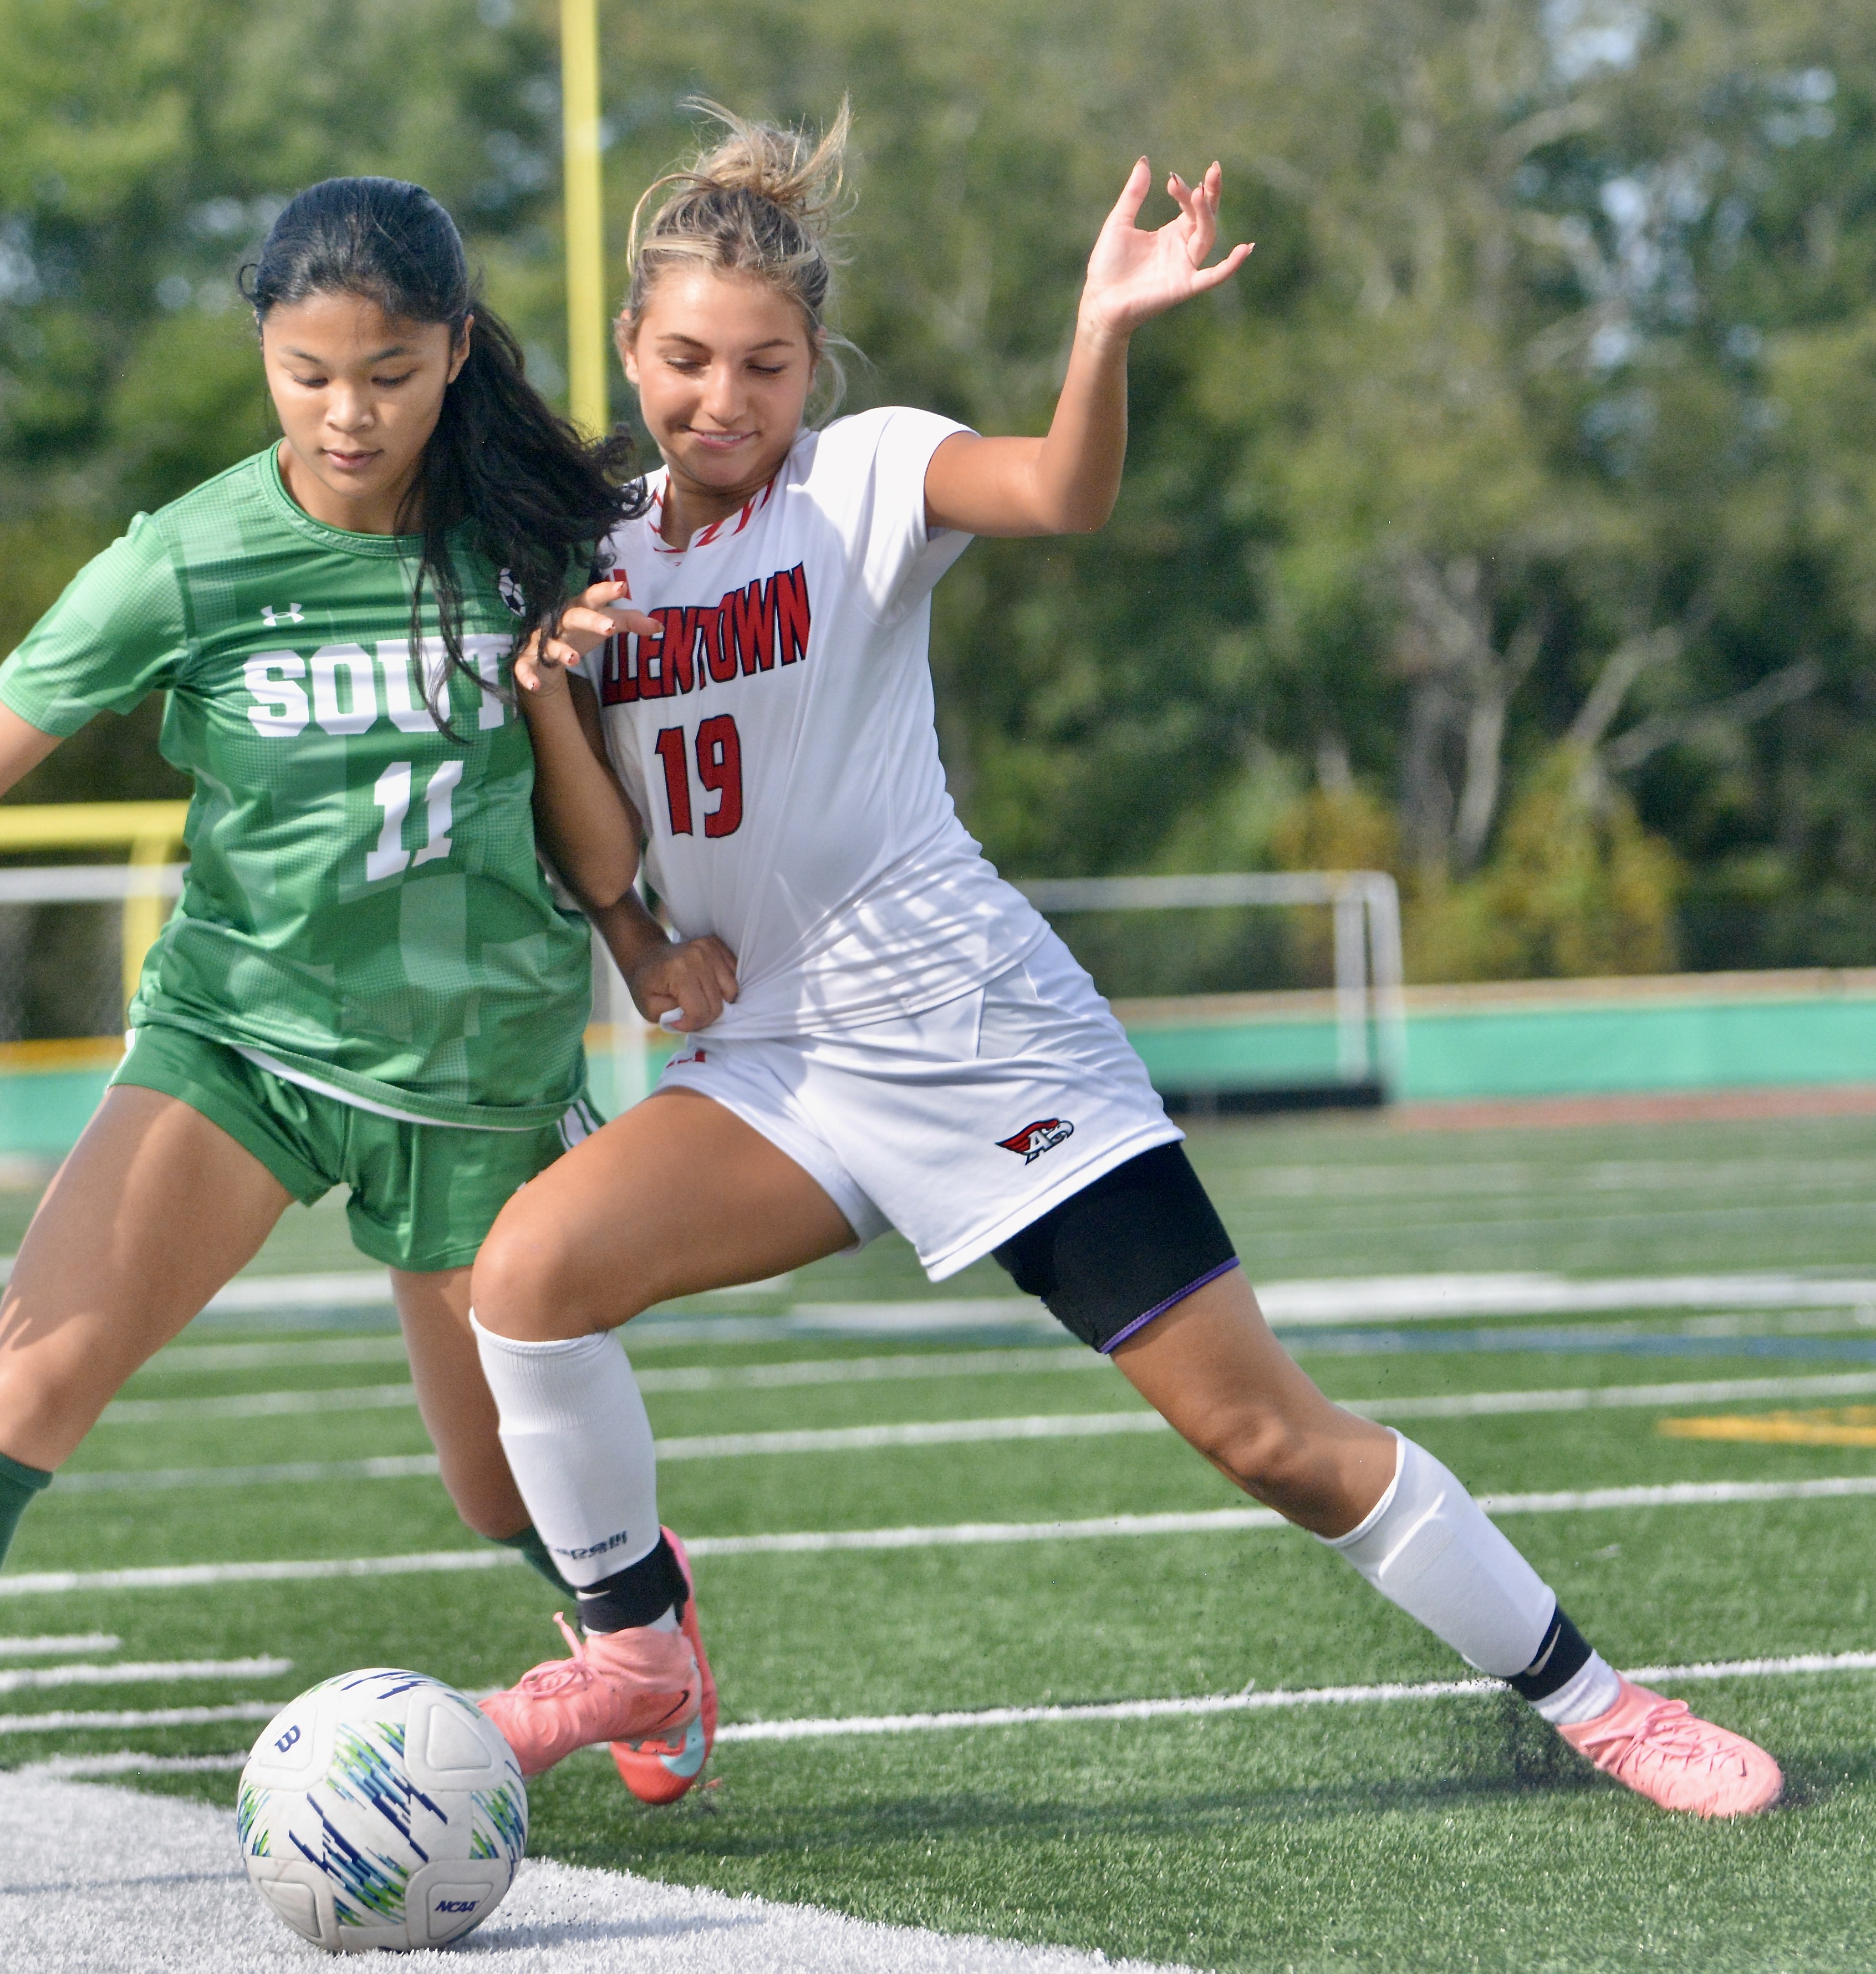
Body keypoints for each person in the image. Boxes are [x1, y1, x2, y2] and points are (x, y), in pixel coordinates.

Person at [466, 102, 1785, 1821]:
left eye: (766, 366)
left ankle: (1602, 1702)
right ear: (631, 349)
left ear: (815, 369)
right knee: (528, 1279)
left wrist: (1099, 338)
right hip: (775, 1070)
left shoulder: (862, 477)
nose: (725, 400)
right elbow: (601, 852)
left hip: (975, 1037)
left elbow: (1054, 490)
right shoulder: (593, 551)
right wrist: (609, 857)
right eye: (689, 361)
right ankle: (640, 1644)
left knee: (1268, 1438)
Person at [0, 175, 646, 1916]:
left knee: (491, 1491)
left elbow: (593, 813)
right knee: (21, 1386)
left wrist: (644, 928)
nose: (346, 409)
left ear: (457, 351)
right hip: (236, 1044)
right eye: (306, 370)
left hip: (475, 1071)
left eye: (388, 369)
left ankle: (638, 1625)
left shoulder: (530, 539)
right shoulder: (191, 550)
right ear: (261, 350)